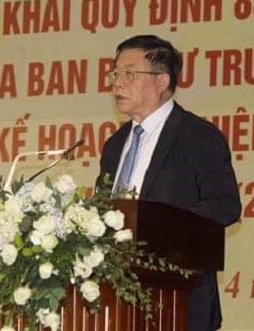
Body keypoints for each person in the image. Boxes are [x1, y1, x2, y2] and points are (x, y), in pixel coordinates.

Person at [96, 34, 242, 331]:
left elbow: (225, 205)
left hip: (180, 301)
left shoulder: (198, 136)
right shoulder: (115, 144)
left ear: (161, 81)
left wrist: (158, 227)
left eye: (129, 74)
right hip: (119, 302)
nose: (117, 83)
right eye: (115, 73)